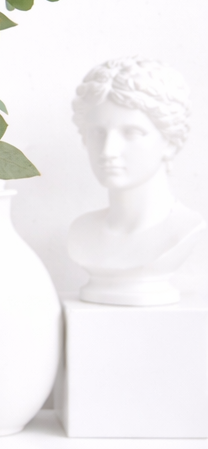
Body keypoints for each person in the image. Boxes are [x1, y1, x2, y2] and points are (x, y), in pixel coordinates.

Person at [67, 56, 204, 305]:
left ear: (170, 142)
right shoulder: (80, 232)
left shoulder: (185, 229)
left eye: (131, 132)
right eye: (98, 132)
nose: (108, 151)